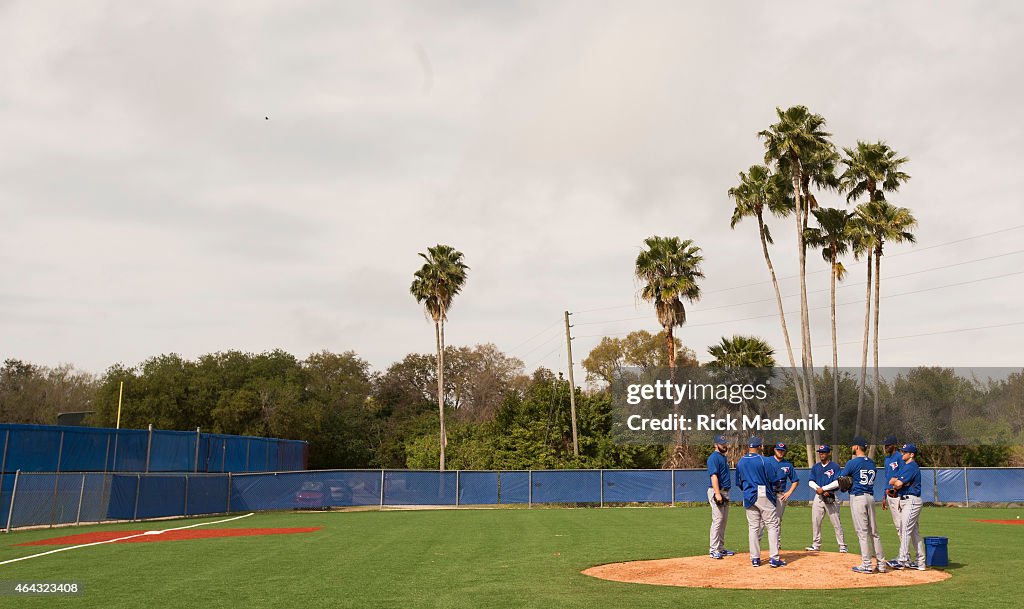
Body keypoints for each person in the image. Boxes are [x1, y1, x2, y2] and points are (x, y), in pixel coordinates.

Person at [819, 437, 889, 573]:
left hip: (858, 498)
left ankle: (867, 565)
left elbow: (840, 481)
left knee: (862, 533)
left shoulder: (853, 463)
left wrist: (825, 488)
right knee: (874, 532)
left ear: (857, 447)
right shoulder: (872, 463)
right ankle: (881, 564)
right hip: (870, 497)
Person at [735, 437, 786, 568]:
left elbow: (738, 482)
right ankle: (774, 558)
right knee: (772, 525)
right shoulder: (763, 460)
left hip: (748, 495)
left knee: (753, 527)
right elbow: (774, 479)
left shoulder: (740, 462)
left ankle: (755, 559)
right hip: (762, 494)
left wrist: (747, 490)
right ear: (760, 447)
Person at [888, 443, 927, 571]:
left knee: (905, 529)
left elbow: (898, 483)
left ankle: (902, 559)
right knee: (914, 532)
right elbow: (892, 481)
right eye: (902, 451)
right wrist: (900, 483)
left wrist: (899, 483)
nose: (902, 454)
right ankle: (920, 562)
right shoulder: (905, 466)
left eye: (905, 452)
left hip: (911, 501)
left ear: (912, 454)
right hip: (906, 500)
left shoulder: (911, 467)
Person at [805, 444, 848, 553]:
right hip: (818, 497)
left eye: (823, 452)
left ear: (828, 453)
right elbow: (810, 481)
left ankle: (842, 545)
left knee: (836, 522)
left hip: (831, 496)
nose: (821, 454)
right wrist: (818, 489)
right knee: (816, 521)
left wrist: (824, 489)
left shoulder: (835, 466)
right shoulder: (816, 467)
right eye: (820, 452)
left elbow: (837, 482)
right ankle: (816, 544)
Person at [760, 442, 798, 546]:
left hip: (780, 494)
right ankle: (757, 542)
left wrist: (789, 492)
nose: (780, 452)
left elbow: (795, 480)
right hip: (768, 494)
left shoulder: (787, 465)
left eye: (782, 450)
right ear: (774, 450)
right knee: (762, 519)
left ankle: (777, 544)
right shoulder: (767, 461)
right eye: (778, 450)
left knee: (777, 519)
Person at [706, 434, 736, 559]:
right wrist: (717, 493)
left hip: (725, 492)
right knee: (717, 520)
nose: (724, 445)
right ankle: (713, 549)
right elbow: (714, 476)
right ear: (715, 445)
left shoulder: (723, 457)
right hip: (716, 491)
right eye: (721, 443)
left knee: (723, 521)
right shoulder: (713, 458)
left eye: (725, 443)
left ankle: (721, 548)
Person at [880, 435, 903, 542]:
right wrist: (884, 496)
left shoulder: (900, 457)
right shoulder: (887, 459)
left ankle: (905, 554)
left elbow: (903, 474)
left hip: (898, 494)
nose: (886, 447)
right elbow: (887, 477)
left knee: (901, 524)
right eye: (885, 445)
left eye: (888, 445)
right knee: (897, 524)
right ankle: (904, 553)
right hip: (889, 494)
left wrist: (897, 489)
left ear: (894, 445)